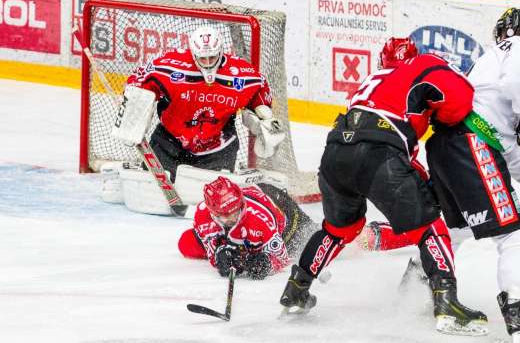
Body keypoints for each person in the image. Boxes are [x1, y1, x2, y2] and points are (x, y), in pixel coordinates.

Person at [278, 37, 489, 336]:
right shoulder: (421, 65)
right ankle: (446, 303)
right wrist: (442, 118)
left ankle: (297, 288)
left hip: (335, 153)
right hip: (379, 155)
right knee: (429, 228)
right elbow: (460, 98)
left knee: (337, 230)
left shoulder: (371, 81)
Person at [358, 10, 520, 342]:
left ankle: (414, 295)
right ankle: (518, 319)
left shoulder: (489, 60)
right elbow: (514, 88)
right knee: (513, 236)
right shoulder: (515, 47)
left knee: (454, 229)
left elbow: (507, 145)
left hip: (448, 146)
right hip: (473, 145)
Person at [123, 25, 282, 181]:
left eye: (212, 57)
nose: (207, 63)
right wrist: (133, 104)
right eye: (202, 58)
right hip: (169, 141)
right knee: (150, 192)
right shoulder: (171, 65)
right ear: (193, 53)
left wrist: (265, 118)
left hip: (219, 147)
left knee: (218, 199)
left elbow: (260, 88)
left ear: (220, 52)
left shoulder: (242, 75)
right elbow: (141, 76)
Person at [178, 176, 319, 280]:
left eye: (237, 211)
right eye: (226, 215)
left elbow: (281, 257)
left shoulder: (260, 220)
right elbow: (213, 252)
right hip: (253, 200)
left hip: (280, 207)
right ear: (213, 213)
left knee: (314, 241)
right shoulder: (203, 215)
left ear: (241, 203)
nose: (234, 218)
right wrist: (221, 255)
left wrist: (266, 263)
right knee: (187, 242)